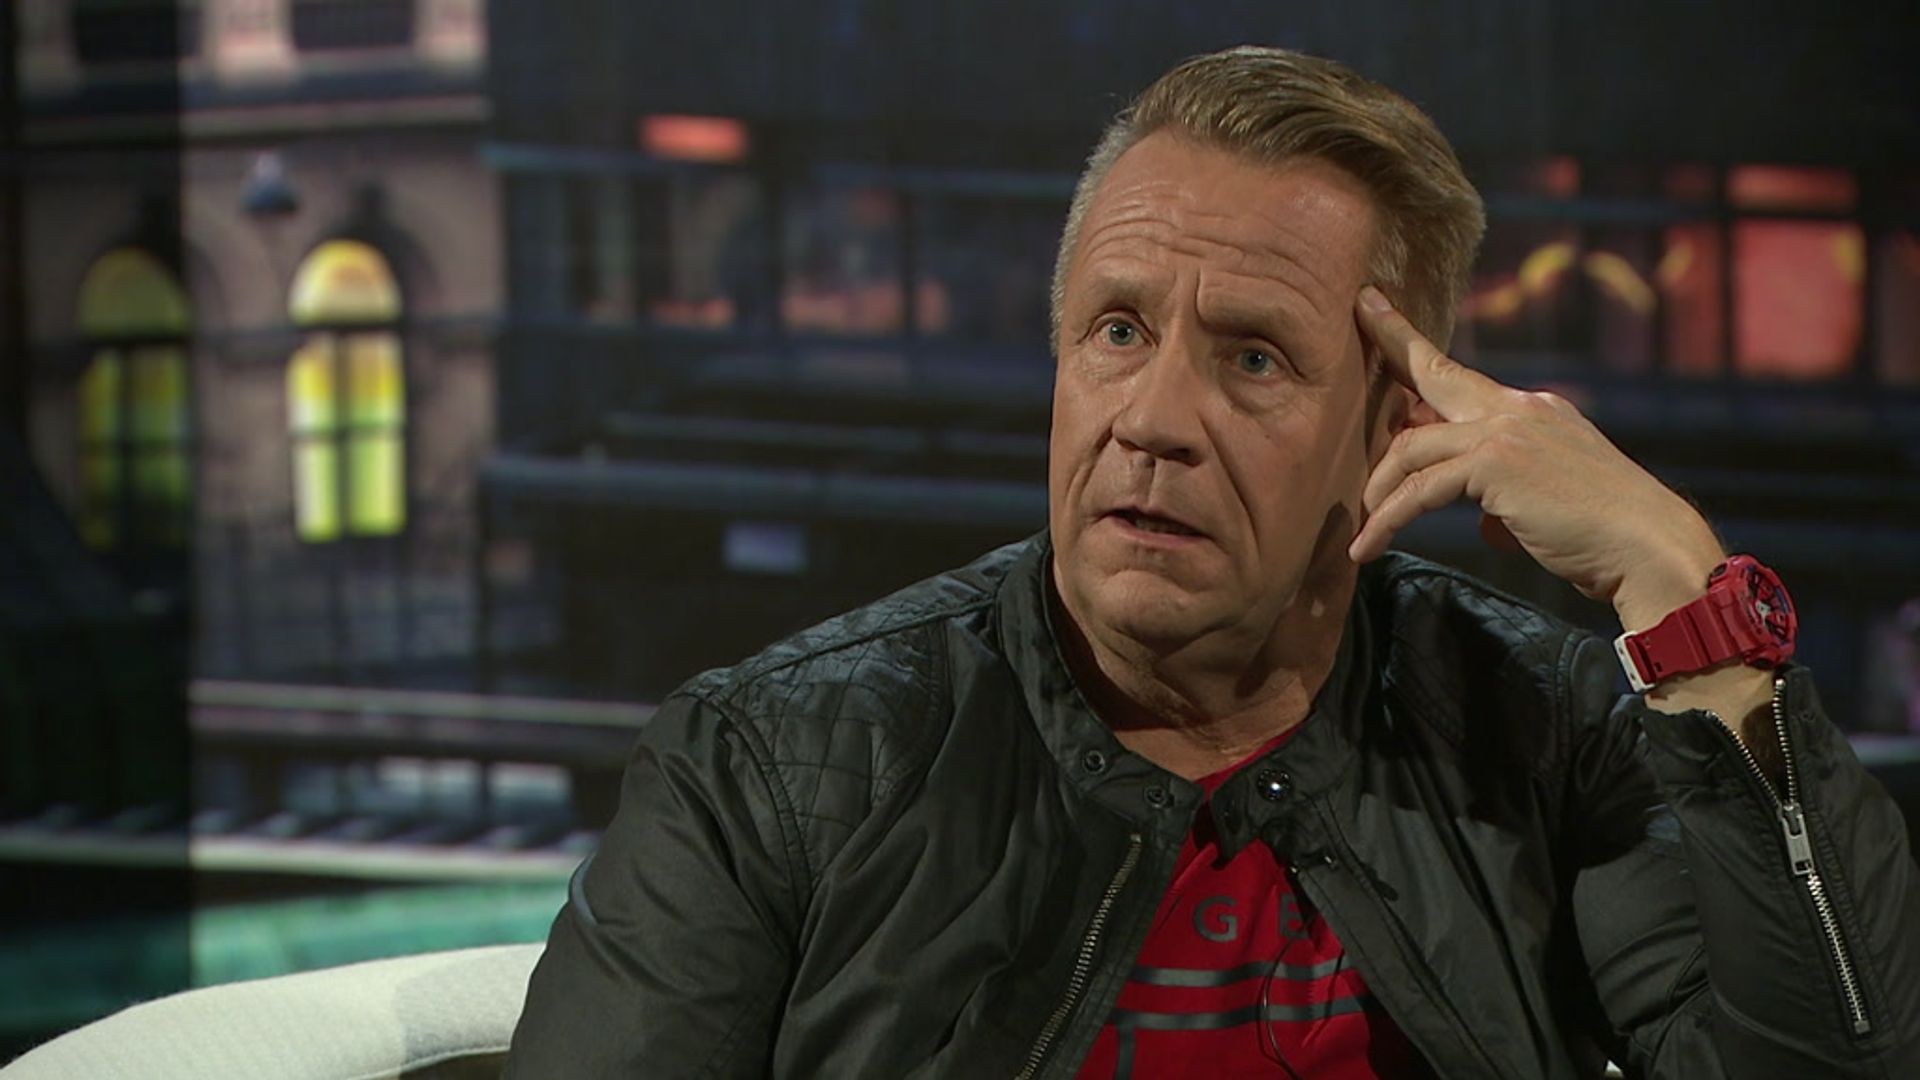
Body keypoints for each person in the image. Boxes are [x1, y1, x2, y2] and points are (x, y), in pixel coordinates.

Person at [505, 46, 1920, 1078]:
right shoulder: (773, 766)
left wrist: (1687, 596)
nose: (1153, 419)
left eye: (1252, 358)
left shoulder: (1545, 737)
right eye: (1118, 332)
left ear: (1396, 430)